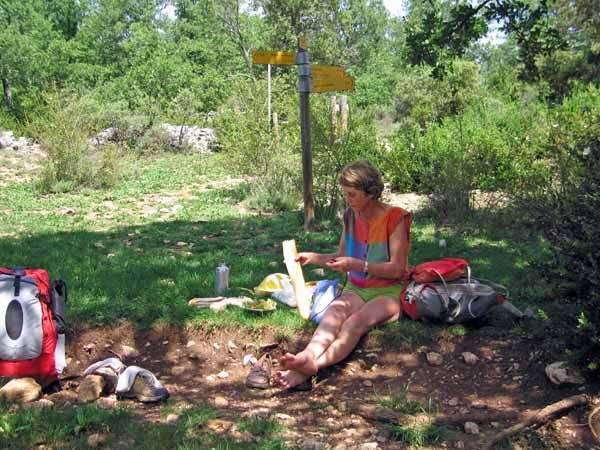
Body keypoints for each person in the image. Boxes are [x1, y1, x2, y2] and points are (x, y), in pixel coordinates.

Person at [277, 160, 411, 389]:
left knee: (354, 323)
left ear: (370, 193)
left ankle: (314, 365)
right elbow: (342, 256)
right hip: (357, 288)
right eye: (346, 194)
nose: (348, 200)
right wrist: (315, 258)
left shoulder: (396, 218)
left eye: (352, 194)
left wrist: (359, 265)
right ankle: (307, 357)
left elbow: (397, 269)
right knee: (334, 312)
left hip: (389, 292)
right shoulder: (350, 216)